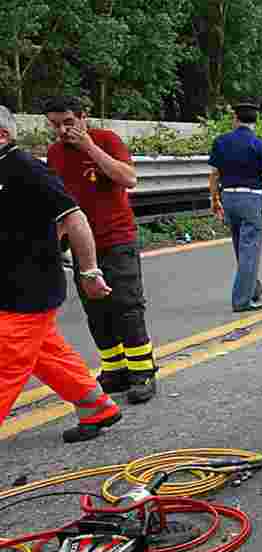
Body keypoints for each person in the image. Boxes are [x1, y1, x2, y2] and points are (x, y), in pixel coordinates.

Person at [0, 105, 123, 443]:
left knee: (4, 362)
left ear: (2, 135)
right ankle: (94, 405)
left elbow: (75, 218)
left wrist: (89, 271)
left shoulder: (26, 169)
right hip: (8, 288)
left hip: (28, 290)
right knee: (45, 354)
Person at [43, 96, 157, 405]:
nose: (63, 130)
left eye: (69, 122)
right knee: (96, 310)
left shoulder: (106, 140)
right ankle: (114, 370)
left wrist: (89, 148)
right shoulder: (54, 154)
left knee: (126, 305)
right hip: (82, 244)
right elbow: (58, 201)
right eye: (56, 125)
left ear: (84, 118)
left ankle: (142, 372)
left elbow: (129, 178)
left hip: (116, 237)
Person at [208, 101, 262, 312]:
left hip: (228, 197)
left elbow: (214, 175)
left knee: (240, 246)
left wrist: (214, 200)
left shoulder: (221, 142)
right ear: (255, 121)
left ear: (235, 119)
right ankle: (242, 301)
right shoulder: (259, 144)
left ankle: (252, 287)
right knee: (250, 250)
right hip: (251, 199)